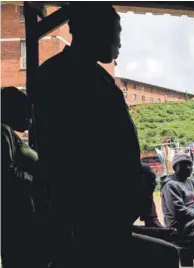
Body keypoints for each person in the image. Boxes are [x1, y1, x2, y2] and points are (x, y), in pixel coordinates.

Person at [34, 4, 146, 267]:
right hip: (88, 224)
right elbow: (64, 157)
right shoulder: (60, 77)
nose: (119, 41)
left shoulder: (91, 77)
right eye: (114, 32)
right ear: (92, 30)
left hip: (104, 220)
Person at [1, 87, 48, 268]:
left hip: (23, 216)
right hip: (19, 219)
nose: (30, 120)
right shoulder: (3, 131)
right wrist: (39, 181)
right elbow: (6, 173)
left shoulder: (10, 134)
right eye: (26, 113)